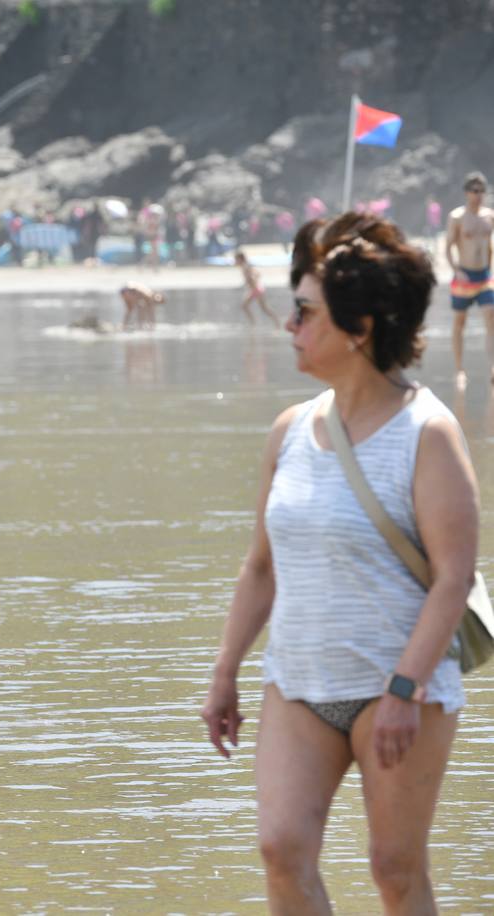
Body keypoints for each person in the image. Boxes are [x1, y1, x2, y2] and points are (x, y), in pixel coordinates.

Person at [200, 212, 475, 913]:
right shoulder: (290, 429)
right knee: (281, 851)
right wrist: (226, 671)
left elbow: (454, 577)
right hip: (298, 686)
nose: (290, 326)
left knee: (395, 870)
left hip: (399, 687)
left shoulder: (429, 432)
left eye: (304, 313)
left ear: (359, 329)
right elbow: (260, 566)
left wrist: (405, 690)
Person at [445, 171, 494, 389]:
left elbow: (489, 246)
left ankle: (493, 366)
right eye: (474, 191)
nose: (479, 195)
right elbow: (447, 247)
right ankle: (459, 369)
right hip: (464, 275)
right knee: (459, 323)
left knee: (491, 318)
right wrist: (456, 270)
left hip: (484, 276)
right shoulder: (456, 217)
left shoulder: (489, 216)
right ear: (466, 193)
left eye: (482, 190)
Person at [234, 249, 281, 326]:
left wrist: (252, 280)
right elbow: (256, 275)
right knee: (244, 306)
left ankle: (276, 321)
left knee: (264, 309)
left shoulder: (246, 267)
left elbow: (254, 276)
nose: (235, 261)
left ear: (240, 259)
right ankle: (253, 323)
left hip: (257, 290)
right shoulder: (245, 266)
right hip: (254, 290)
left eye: (236, 259)